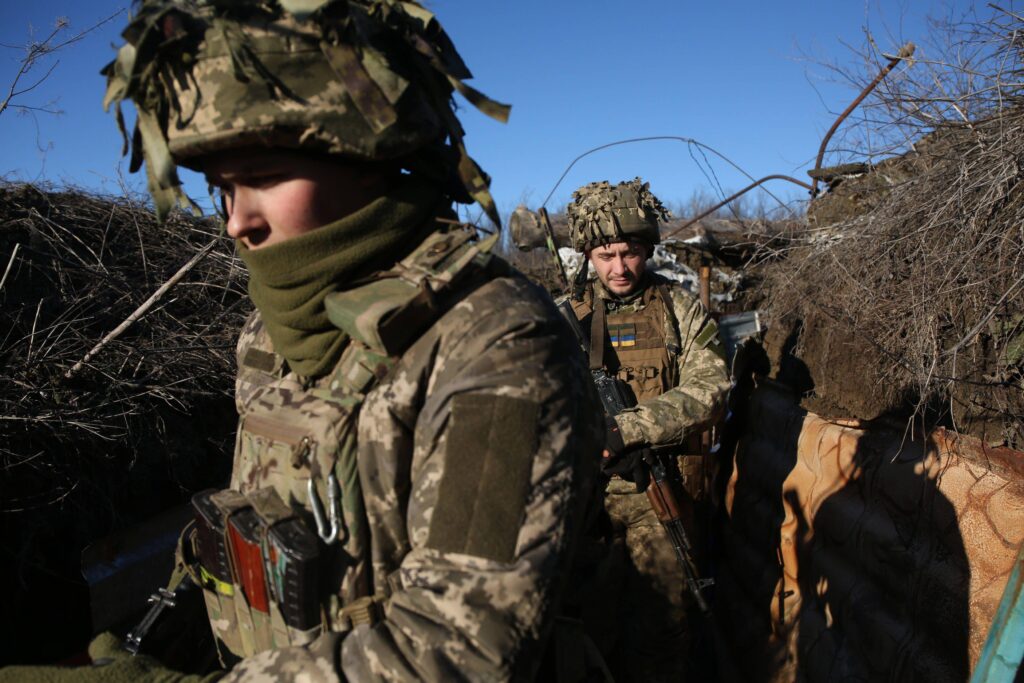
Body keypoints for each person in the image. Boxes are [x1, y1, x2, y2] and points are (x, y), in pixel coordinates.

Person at [0, 1, 608, 681]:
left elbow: (459, 650)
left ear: (364, 153)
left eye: (261, 176)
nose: (236, 222)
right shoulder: (274, 328)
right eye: (222, 187)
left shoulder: (497, 344)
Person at [561, 178, 731, 682]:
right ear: (588, 255)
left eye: (630, 253)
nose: (618, 268)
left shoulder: (680, 309)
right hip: (584, 507)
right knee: (582, 632)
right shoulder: (562, 318)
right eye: (605, 254)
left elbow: (712, 389)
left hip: (660, 496)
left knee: (660, 634)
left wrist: (631, 429)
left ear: (648, 249)